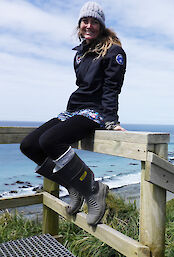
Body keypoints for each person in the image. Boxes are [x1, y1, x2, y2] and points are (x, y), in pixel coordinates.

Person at [20, 1, 126, 226]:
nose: (89, 25)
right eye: (85, 21)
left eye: (94, 22)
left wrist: (110, 121)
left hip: (95, 112)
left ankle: (93, 189)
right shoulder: (80, 53)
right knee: (29, 145)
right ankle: (73, 185)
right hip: (74, 110)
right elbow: (82, 85)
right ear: (79, 25)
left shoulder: (114, 51)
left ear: (101, 25)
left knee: (50, 140)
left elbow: (111, 88)